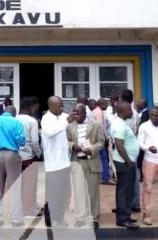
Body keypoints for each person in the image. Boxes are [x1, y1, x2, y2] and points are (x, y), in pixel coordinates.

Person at [0, 103, 26, 227]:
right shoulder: (17, 122)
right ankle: (16, 219)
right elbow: (22, 140)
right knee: (15, 187)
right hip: (12, 154)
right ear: (14, 113)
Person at [67, 103, 105, 228]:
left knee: (92, 192)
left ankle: (93, 218)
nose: (75, 115)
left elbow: (101, 141)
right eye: (73, 113)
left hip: (91, 161)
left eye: (77, 113)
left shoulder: (95, 125)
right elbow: (66, 141)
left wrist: (92, 149)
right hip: (77, 162)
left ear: (84, 113)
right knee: (79, 192)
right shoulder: (70, 126)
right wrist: (73, 146)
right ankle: (80, 218)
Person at [41, 96, 71, 228]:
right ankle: (50, 219)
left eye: (62, 105)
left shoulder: (64, 116)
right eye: (59, 106)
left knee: (62, 194)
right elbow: (50, 132)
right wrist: (65, 122)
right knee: (52, 194)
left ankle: (59, 218)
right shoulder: (46, 119)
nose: (62, 108)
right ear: (51, 106)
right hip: (53, 164)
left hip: (64, 162)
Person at [111, 100, 139, 229]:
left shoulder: (122, 123)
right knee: (124, 191)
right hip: (124, 163)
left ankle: (125, 216)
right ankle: (122, 219)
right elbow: (119, 145)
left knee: (127, 191)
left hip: (126, 162)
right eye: (129, 109)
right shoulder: (119, 125)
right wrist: (129, 161)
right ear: (123, 111)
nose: (131, 111)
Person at [16, 96, 41, 218]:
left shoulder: (14, 119)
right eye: (36, 107)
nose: (37, 109)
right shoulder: (32, 121)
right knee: (30, 184)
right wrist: (40, 154)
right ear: (31, 107)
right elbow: (35, 142)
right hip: (28, 157)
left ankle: (20, 208)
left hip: (15, 157)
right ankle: (28, 211)